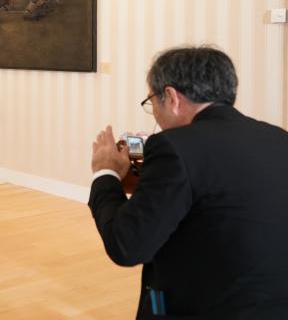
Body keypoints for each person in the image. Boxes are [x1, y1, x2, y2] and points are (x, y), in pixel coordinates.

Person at [89, 46, 288, 318]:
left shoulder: (173, 146)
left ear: (171, 97)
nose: (156, 114)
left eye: (152, 101)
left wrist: (106, 173)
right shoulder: (278, 137)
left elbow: (126, 246)